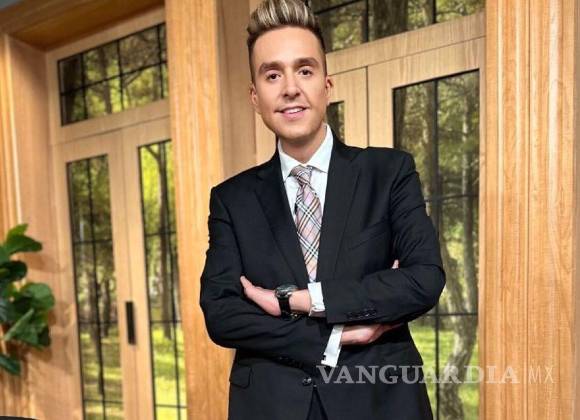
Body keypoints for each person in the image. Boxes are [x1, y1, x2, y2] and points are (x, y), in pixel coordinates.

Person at [199, 1, 445, 419]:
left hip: (378, 399)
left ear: (327, 85)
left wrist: (299, 300)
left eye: (305, 70)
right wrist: (335, 337)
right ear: (255, 97)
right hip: (272, 406)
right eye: (272, 75)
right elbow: (222, 315)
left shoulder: (389, 173)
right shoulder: (231, 199)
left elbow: (423, 279)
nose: (290, 88)